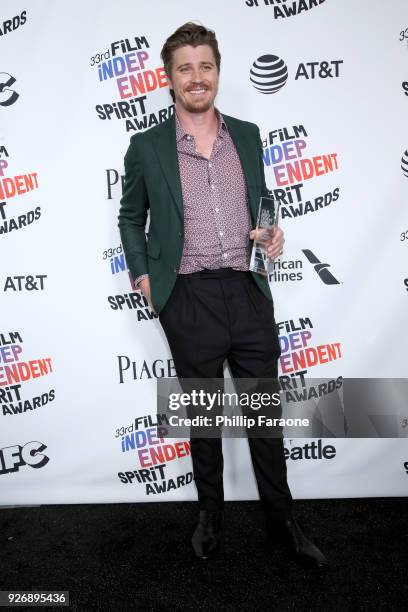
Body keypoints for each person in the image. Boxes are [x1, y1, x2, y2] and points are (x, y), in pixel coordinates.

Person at [118, 22, 327, 568]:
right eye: (184, 68)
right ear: (168, 79)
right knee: (205, 418)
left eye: (204, 66)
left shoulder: (249, 134)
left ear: (217, 72)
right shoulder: (146, 147)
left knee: (264, 411)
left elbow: (264, 202)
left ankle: (282, 517)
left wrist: (274, 232)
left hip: (248, 289)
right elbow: (129, 218)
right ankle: (210, 513)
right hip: (186, 297)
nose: (196, 77)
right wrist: (144, 278)